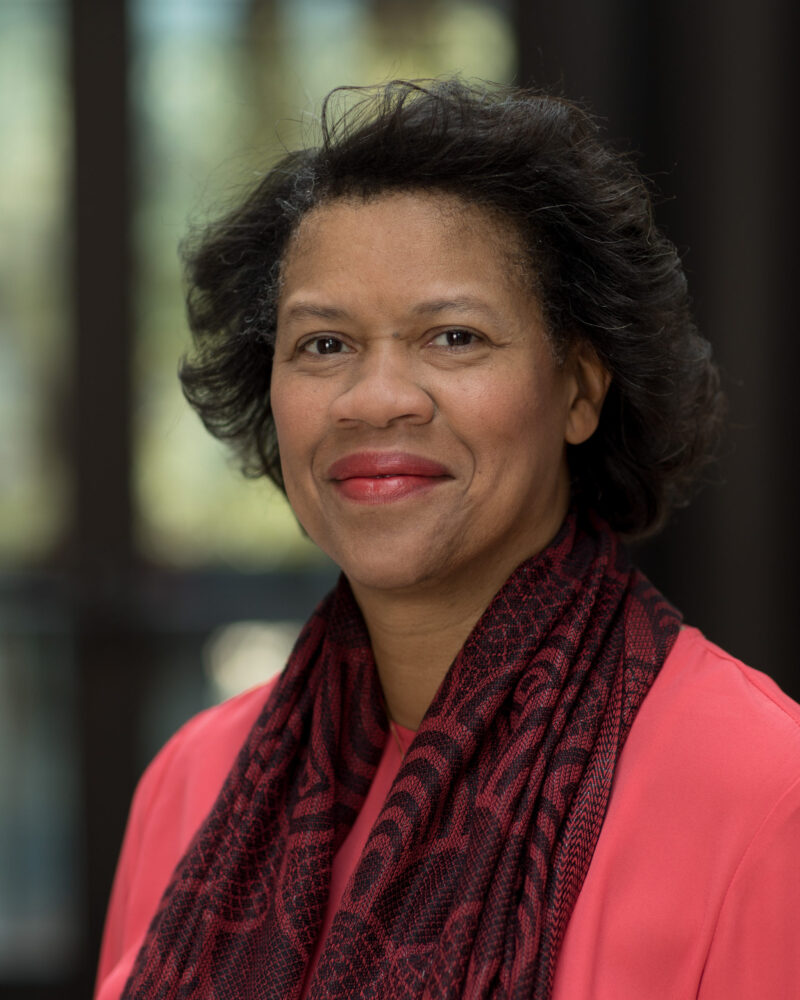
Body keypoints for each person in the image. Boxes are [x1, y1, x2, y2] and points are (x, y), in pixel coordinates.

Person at [95, 80, 800, 1000]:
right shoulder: (192, 783)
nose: (376, 397)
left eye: (454, 336)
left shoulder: (758, 792)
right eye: (323, 345)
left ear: (582, 390)